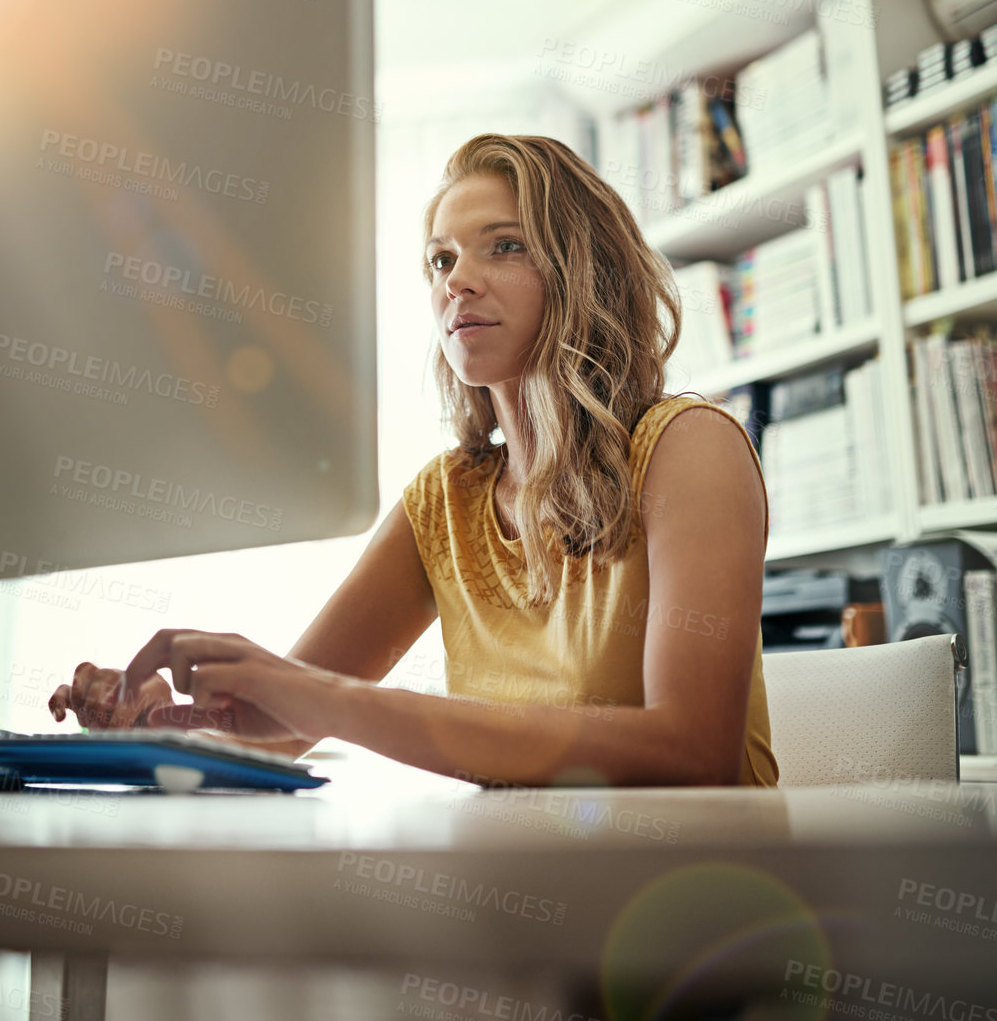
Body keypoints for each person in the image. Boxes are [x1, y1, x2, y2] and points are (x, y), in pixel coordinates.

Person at [49, 133, 779, 788]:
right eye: (441, 258)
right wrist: (163, 726)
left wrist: (330, 699)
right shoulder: (444, 502)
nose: (455, 280)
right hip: (532, 897)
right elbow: (283, 733)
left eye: (503, 245)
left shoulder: (688, 446)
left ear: (583, 271)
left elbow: (693, 749)